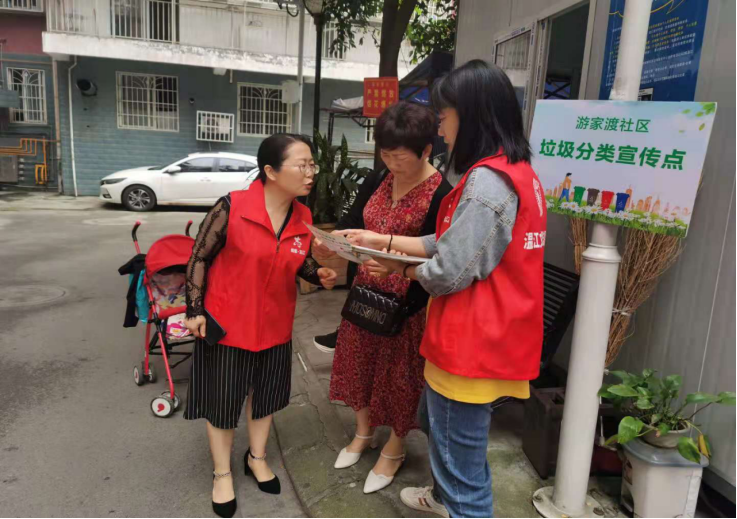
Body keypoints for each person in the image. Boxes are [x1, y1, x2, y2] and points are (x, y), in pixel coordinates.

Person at [342, 60, 547, 517]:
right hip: (494, 336)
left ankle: (456, 504)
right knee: (447, 439)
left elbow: (450, 270)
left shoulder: (487, 183)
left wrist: (397, 269)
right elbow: (453, 242)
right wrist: (385, 240)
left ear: (471, 115)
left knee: (462, 471)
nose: (441, 128)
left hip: (471, 345)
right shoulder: (517, 171)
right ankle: (440, 497)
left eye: (445, 116)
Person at [183, 133, 338, 518]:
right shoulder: (232, 207)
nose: (311, 173)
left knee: (265, 398)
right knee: (223, 402)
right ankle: (222, 473)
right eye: (302, 165)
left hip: (275, 327)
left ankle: (256, 458)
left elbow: (296, 260)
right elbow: (199, 257)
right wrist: (195, 308)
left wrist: (318, 273)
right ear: (270, 171)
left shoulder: (303, 217)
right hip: (228, 326)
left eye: (313, 165)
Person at [314, 101, 452, 494]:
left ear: (426, 151)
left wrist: (396, 267)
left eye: (400, 157)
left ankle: (395, 447)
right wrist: (333, 241)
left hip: (408, 303)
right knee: (358, 365)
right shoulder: (378, 177)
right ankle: (363, 433)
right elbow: (352, 222)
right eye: (385, 154)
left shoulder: (442, 194)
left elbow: (440, 253)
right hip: (364, 295)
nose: (391, 163)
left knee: (400, 379)